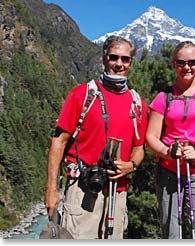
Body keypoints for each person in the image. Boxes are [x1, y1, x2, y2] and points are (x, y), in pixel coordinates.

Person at [45, 35, 148, 239]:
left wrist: (131, 165)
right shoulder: (82, 95)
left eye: (125, 59)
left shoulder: (137, 103)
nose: (119, 64)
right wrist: (51, 189)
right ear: (104, 58)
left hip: (117, 192)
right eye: (114, 57)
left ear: (131, 62)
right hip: (82, 188)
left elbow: (139, 148)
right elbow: (59, 141)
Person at [145, 41, 195, 239]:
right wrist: (168, 151)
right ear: (174, 64)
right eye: (181, 62)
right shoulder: (164, 97)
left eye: (192, 62)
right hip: (170, 173)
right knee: (172, 233)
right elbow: (151, 137)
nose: (186, 67)